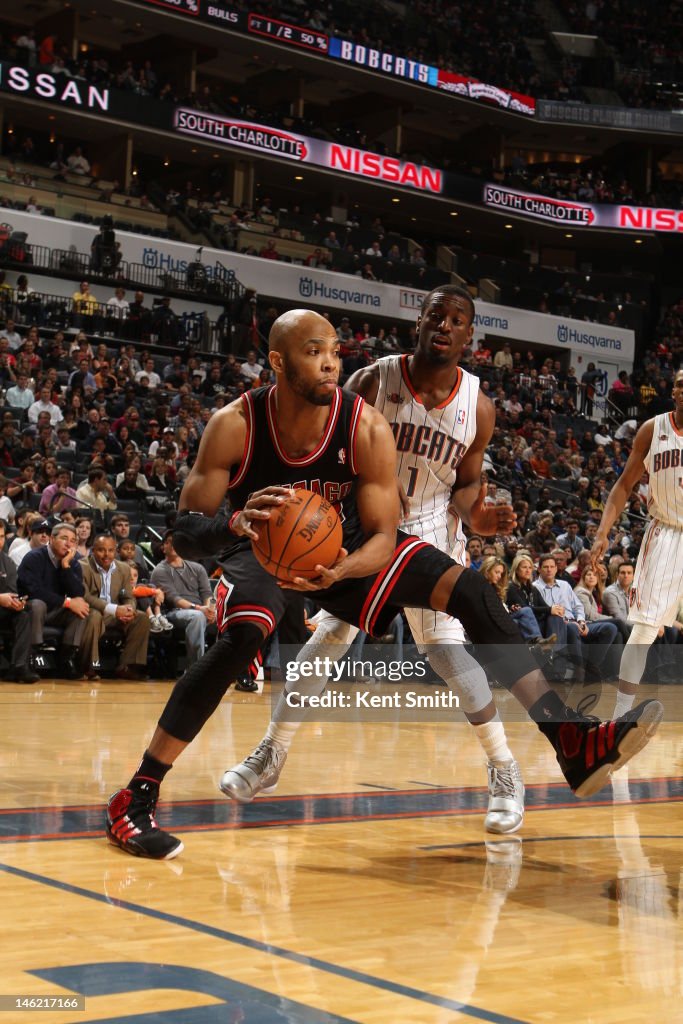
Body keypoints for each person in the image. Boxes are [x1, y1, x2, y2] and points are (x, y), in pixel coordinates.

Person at [105, 306, 662, 860]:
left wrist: (344, 571)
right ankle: (137, 794)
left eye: (333, 352)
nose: (328, 363)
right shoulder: (236, 424)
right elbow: (184, 527)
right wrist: (233, 523)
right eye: (312, 352)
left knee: (468, 590)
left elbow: (381, 533)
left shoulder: (362, 423)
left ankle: (571, 741)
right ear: (277, 360)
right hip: (256, 546)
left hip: (340, 544)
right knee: (245, 635)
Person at [233, 289, 527, 834]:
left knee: (445, 656)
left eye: (457, 320)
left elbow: (466, 490)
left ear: (469, 337)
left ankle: (505, 769)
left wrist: (483, 520)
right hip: (366, 526)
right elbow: (329, 438)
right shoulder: (372, 380)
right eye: (436, 314)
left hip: (433, 535)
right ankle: (270, 754)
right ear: (419, 321)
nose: (444, 324)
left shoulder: (479, 407)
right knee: (328, 639)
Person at [592, 368, 683, 715]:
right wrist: (603, 532)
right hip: (667, 533)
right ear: (672, 391)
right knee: (644, 629)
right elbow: (623, 485)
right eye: (680, 384)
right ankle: (619, 718)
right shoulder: (653, 429)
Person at [18, 522, 92, 679]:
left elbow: (78, 593)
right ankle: (30, 657)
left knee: (82, 608)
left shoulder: (72, 562)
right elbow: (33, 591)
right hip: (30, 610)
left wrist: (65, 566)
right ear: (51, 538)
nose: (68, 544)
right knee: (38, 604)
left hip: (56, 611)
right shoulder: (34, 557)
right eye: (64, 538)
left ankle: (66, 659)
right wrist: (66, 602)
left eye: (73, 541)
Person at [80, 534, 151, 680]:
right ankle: (90, 666)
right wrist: (114, 609)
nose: (107, 555)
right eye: (101, 550)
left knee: (142, 618)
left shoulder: (124, 568)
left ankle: (126, 667)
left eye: (111, 550)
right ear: (93, 551)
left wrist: (129, 609)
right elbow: (85, 596)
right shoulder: (83, 566)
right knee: (94, 616)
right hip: (92, 611)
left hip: (116, 613)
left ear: (116, 551)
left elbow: (128, 596)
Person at [150, 532, 215, 661]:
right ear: (163, 547)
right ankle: (196, 669)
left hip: (201, 610)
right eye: (169, 542)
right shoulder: (160, 570)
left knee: (233, 617)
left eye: (177, 542)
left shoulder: (198, 568)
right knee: (197, 616)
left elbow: (207, 593)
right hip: (174, 612)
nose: (174, 545)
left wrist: (209, 609)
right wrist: (200, 609)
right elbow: (174, 599)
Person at [0, 519, 39, 682]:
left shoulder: (7, 561)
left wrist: (17, 602)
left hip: (2, 610)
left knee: (23, 614)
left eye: (1, 537)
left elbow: (12, 590)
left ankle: (19, 666)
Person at [128, 562, 173, 633]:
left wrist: (157, 591)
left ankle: (158, 615)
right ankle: (151, 618)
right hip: (134, 610)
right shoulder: (124, 588)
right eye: (129, 575)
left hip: (146, 607)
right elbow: (137, 592)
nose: (132, 578)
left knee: (151, 586)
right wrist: (156, 591)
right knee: (141, 589)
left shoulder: (137, 586)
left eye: (135, 575)